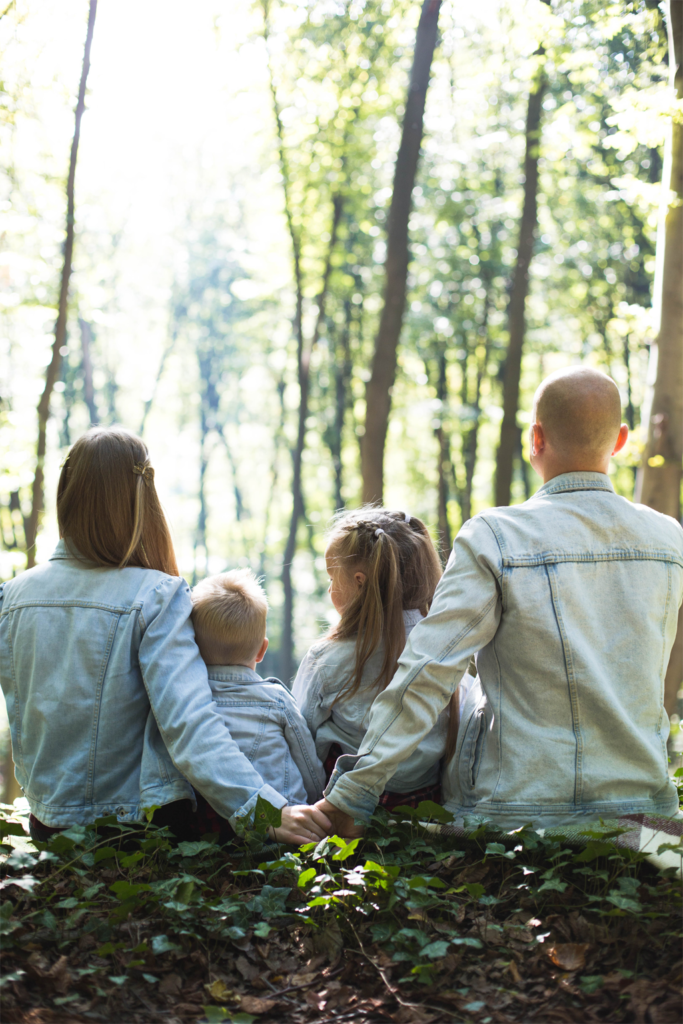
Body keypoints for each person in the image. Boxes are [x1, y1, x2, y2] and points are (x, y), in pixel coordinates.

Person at [317, 367, 683, 835]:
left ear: (535, 438)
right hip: (644, 813)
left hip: (515, 812)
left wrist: (354, 793)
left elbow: (428, 670)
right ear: (621, 441)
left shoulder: (496, 536)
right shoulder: (668, 539)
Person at [0, 427, 330, 846]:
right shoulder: (156, 595)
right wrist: (264, 811)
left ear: (66, 492)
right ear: (142, 500)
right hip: (134, 831)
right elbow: (189, 724)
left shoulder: (11, 596)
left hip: (48, 827)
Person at [293, 508, 474, 809]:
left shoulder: (327, 658)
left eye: (332, 578)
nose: (329, 589)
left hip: (340, 806)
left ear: (360, 581)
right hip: (424, 805)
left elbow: (301, 738)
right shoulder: (448, 654)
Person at [190, 569, 325, 805]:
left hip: (212, 824)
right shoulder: (276, 700)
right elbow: (308, 765)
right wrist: (316, 801)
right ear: (262, 651)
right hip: (284, 821)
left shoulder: (186, 702)